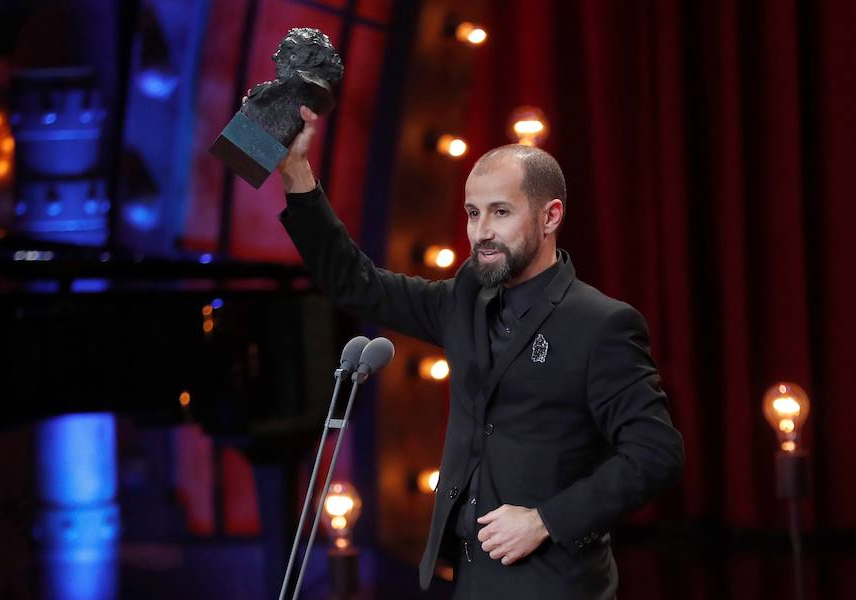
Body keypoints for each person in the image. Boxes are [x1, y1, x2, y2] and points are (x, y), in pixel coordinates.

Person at [276, 106, 684, 599]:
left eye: (501, 211)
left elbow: (656, 453)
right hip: (470, 579)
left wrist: (546, 520)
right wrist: (298, 175)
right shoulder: (464, 300)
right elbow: (356, 285)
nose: (481, 231)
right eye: (473, 213)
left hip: (555, 585)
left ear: (550, 215)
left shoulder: (601, 324)